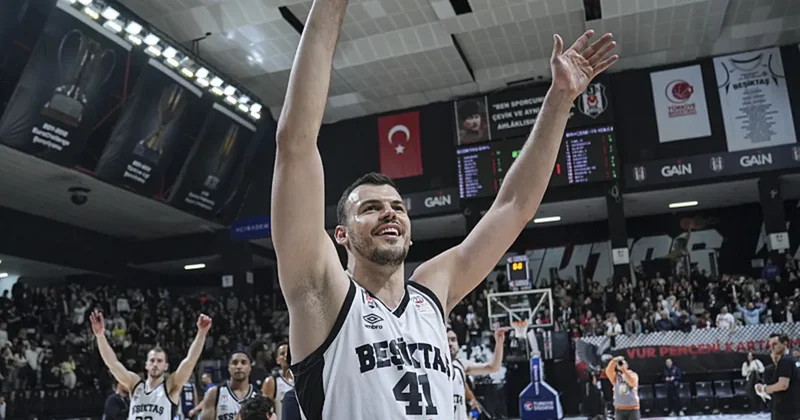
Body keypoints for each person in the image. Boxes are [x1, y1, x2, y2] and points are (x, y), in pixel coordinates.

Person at [270, 0, 618, 417]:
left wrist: (560, 100)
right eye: (371, 208)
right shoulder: (323, 296)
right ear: (340, 235)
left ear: (410, 229)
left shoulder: (431, 293)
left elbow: (513, 206)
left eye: (397, 206)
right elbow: (296, 145)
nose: (389, 213)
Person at [91, 311, 212, 420]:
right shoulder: (135, 385)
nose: (155, 364)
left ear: (166, 366)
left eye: (159, 361)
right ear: (146, 365)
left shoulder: (170, 386)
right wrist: (100, 336)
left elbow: (190, 361)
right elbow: (113, 364)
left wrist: (201, 334)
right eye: (152, 360)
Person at [447, 328, 506, 419]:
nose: (450, 344)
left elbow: (493, 367)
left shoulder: (461, 365)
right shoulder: (432, 367)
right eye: (446, 340)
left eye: (453, 340)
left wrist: (499, 343)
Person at [193, 351, 259, 420]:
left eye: (243, 362)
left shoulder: (257, 396)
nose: (239, 366)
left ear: (250, 367)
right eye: (235, 363)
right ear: (229, 367)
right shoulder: (214, 393)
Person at [756, 333, 800, 419]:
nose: (772, 348)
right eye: (770, 345)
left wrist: (764, 389)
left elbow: (783, 385)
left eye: (775, 344)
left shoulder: (785, 361)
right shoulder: (793, 359)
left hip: (785, 410)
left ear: (784, 344)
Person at [261, 344, 293, 420]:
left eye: (289, 353)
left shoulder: (303, 380)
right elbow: (265, 412)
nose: (286, 355)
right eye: (282, 353)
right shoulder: (271, 381)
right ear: (277, 360)